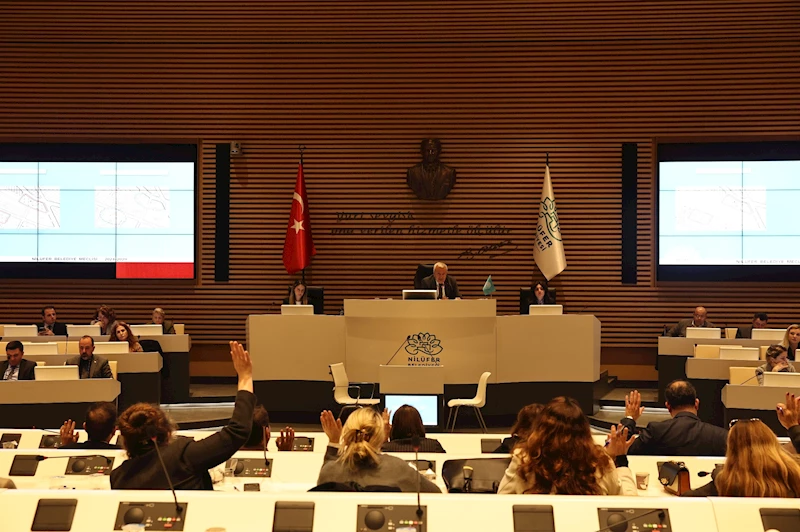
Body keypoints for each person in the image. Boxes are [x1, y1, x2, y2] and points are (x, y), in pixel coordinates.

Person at [111, 341, 256, 490]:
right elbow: (238, 431)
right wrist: (245, 378)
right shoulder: (182, 456)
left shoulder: (117, 477)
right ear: (166, 431)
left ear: (126, 442)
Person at [498, 397, 637, 495]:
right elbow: (629, 505)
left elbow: (501, 500)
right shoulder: (601, 462)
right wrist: (621, 461)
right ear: (584, 430)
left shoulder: (524, 459)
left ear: (540, 429)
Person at [317, 409, 441, 493]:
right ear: (380, 436)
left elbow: (322, 488)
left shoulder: (330, 471)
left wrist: (333, 442)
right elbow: (435, 492)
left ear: (346, 434)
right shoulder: (399, 468)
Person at [682, 416, 800, 497]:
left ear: (732, 450)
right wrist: (793, 426)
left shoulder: (725, 483)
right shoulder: (794, 479)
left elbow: (687, 499)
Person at [620, 381, 728, 456]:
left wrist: (630, 418)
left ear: (668, 406)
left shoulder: (656, 431)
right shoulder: (720, 435)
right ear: (696, 403)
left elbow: (622, 447)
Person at [381, 405, 446, 453]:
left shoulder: (387, 449)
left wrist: (384, 435)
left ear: (394, 427)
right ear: (419, 425)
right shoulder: (434, 446)